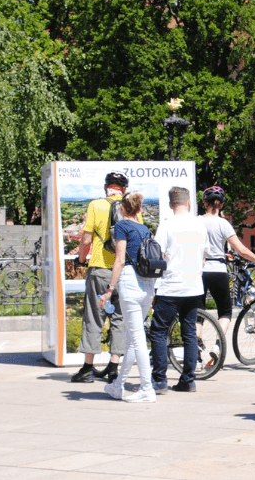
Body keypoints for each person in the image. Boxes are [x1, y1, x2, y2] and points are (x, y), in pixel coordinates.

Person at [199, 185, 255, 363]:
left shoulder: (196, 222)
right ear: (221, 205)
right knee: (225, 311)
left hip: (199, 271)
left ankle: (196, 349)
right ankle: (217, 345)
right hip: (218, 270)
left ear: (204, 203)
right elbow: (241, 250)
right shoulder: (223, 224)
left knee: (198, 313)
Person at [99, 192, 158, 403]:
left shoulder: (122, 227)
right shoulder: (145, 229)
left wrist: (109, 289)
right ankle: (117, 385)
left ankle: (146, 388)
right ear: (140, 209)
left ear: (122, 209)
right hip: (147, 285)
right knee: (133, 339)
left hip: (131, 283)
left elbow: (120, 260)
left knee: (138, 338)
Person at [149, 186, 207, 393]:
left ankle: (160, 380)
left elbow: (158, 258)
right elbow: (203, 256)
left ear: (171, 204)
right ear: (188, 202)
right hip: (193, 287)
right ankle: (188, 379)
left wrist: (154, 288)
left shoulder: (166, 226)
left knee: (158, 332)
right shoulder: (200, 225)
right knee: (189, 332)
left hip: (170, 286)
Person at [71, 172, 128, 384]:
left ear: (106, 187)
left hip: (99, 268)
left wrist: (81, 258)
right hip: (122, 270)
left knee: (94, 317)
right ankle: (113, 368)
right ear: (123, 189)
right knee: (120, 319)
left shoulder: (96, 205)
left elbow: (86, 238)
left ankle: (87, 368)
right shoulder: (130, 206)